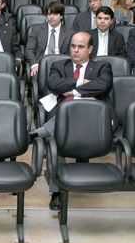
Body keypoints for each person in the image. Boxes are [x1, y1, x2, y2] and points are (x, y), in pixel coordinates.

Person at [30, 31, 114, 211]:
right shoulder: (59, 65)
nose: (75, 50)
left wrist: (73, 91)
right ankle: (57, 192)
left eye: (80, 47)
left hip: (93, 121)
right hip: (65, 119)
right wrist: (81, 81)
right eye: (73, 46)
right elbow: (54, 85)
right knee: (58, 138)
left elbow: (103, 85)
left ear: (90, 49)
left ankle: (39, 133)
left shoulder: (102, 66)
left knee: (61, 126)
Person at [25, 1, 74, 76]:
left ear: (61, 16)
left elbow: (72, 54)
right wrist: (34, 64)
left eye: (55, 14)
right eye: (49, 14)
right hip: (40, 67)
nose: (51, 17)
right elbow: (29, 50)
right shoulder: (36, 29)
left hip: (61, 68)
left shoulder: (70, 33)